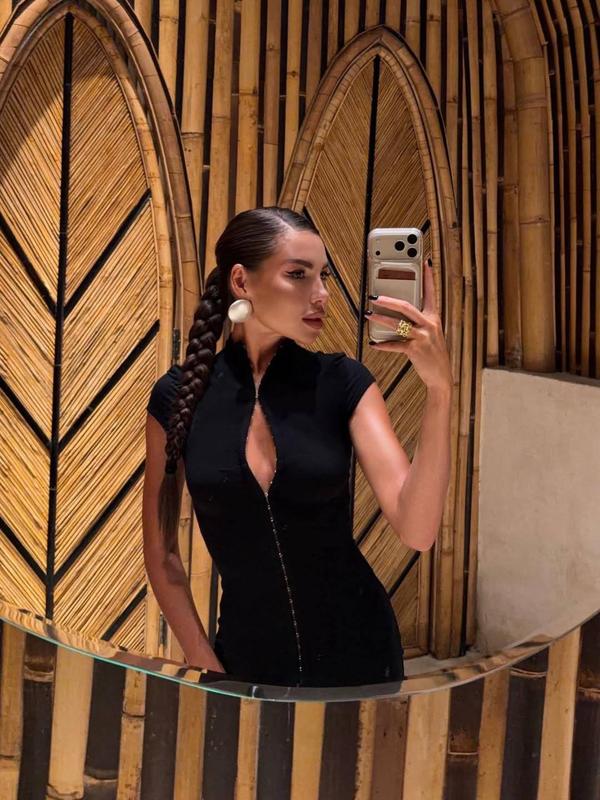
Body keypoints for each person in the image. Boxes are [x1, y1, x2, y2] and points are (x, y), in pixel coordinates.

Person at [142, 206, 452, 688]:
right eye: (298, 274)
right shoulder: (177, 397)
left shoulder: (343, 383)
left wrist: (439, 392)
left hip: (360, 659)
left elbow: (418, 531)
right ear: (241, 282)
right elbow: (162, 554)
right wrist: (208, 667)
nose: (322, 294)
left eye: (323, 276)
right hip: (244, 665)